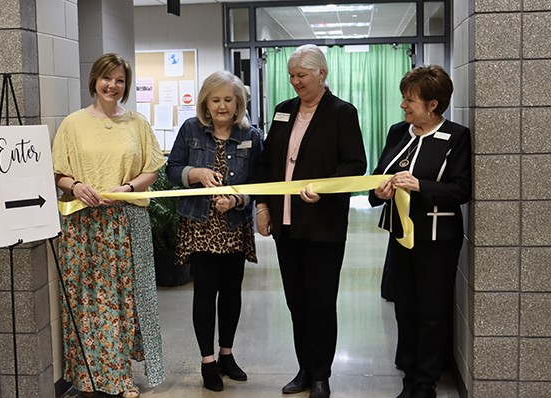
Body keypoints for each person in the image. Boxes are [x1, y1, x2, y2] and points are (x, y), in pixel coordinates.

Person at [255, 44, 367, 398]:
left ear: (322, 74)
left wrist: (326, 189)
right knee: (296, 302)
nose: (295, 82)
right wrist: (262, 205)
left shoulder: (341, 113)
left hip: (323, 226)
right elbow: (267, 162)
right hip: (286, 225)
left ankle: (321, 374)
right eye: (291, 75)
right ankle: (304, 369)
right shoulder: (282, 111)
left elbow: (355, 165)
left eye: (301, 75)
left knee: (319, 302)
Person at [52, 53, 165, 398]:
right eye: (107, 78)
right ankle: (88, 376)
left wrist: (128, 188)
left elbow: (152, 169)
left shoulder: (137, 123)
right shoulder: (72, 124)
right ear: (94, 81)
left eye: (119, 80)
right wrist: (76, 186)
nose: (113, 86)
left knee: (122, 300)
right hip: (83, 224)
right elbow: (59, 172)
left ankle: (118, 376)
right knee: (86, 300)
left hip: (125, 220)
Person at [369, 65, 472, 398]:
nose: (403, 105)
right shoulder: (398, 132)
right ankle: (409, 378)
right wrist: (379, 192)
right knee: (405, 307)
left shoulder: (455, 136)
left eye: (410, 99)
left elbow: (461, 190)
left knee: (431, 310)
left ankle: (425, 383)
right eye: (404, 98)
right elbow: (375, 179)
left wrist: (421, 186)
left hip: (437, 238)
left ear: (433, 105)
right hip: (401, 234)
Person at [166, 71, 263, 392]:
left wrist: (236, 198)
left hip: (234, 226)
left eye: (229, 100)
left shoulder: (252, 136)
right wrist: (195, 172)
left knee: (232, 291)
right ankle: (207, 360)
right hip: (200, 224)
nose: (222, 106)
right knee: (205, 291)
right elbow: (172, 170)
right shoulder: (191, 130)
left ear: (239, 104)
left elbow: (259, 184)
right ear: (206, 103)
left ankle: (227, 354)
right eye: (216, 99)